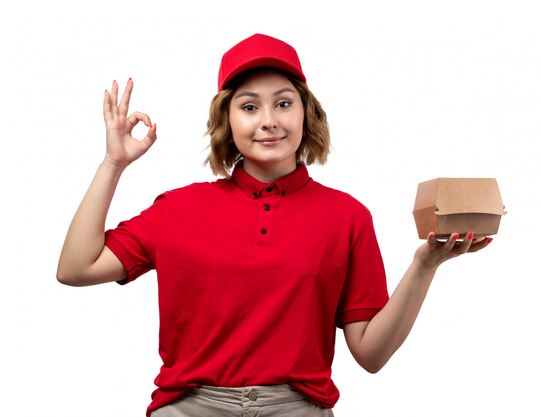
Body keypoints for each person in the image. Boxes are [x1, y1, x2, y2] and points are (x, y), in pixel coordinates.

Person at [57, 33, 493, 417]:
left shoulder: (347, 216)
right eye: (250, 106)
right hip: (190, 409)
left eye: (284, 103)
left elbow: (371, 354)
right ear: (227, 120)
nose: (269, 120)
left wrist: (424, 266)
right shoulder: (178, 208)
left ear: (307, 114)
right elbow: (76, 269)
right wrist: (113, 163)